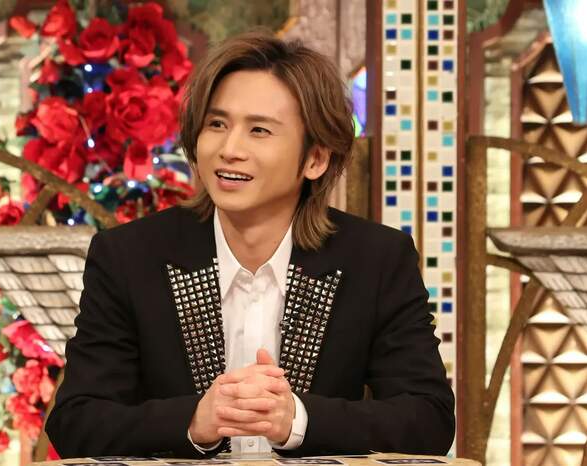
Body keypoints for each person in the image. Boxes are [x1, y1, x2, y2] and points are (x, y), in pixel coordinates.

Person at [46, 31, 455, 458]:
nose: (229, 149)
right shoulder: (130, 257)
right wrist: (194, 421)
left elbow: (429, 420)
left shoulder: (376, 259)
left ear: (315, 158)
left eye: (259, 130)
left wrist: (297, 420)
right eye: (217, 125)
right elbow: (76, 420)